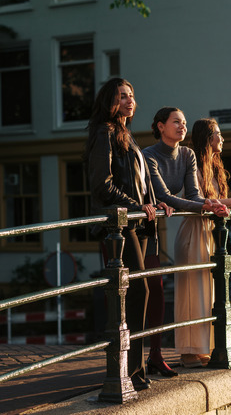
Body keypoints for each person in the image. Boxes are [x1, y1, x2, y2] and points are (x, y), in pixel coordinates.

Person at [83, 78, 172, 390]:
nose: (129, 100)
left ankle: (133, 369)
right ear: (110, 101)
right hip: (119, 225)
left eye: (132, 95)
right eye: (122, 96)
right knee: (136, 293)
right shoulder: (103, 132)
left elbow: (137, 179)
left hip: (137, 221)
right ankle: (129, 370)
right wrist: (137, 206)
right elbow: (102, 185)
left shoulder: (125, 134)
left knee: (134, 294)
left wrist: (153, 203)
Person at [141, 107, 229, 375]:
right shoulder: (148, 156)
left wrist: (210, 204)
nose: (182, 126)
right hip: (138, 226)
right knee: (140, 292)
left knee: (157, 291)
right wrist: (207, 206)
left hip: (157, 227)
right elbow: (165, 195)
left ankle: (156, 356)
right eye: (175, 122)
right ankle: (134, 360)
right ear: (160, 127)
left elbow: (191, 193)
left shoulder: (188, 154)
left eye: (184, 122)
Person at [174, 118, 231, 367]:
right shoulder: (193, 164)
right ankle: (188, 352)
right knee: (192, 291)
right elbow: (202, 199)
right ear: (208, 137)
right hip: (193, 232)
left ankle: (202, 347)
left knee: (207, 291)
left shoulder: (213, 167)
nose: (222, 139)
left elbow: (216, 200)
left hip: (208, 231)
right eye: (218, 134)